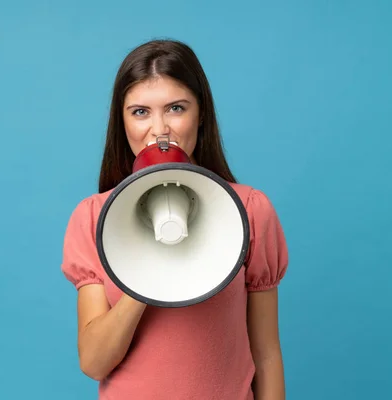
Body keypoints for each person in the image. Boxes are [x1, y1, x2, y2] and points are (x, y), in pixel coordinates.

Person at [60, 39, 289, 400]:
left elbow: (266, 353)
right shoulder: (93, 218)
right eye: (140, 112)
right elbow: (94, 362)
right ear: (121, 122)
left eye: (176, 108)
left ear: (201, 114)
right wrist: (147, 272)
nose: (159, 129)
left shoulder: (249, 211)